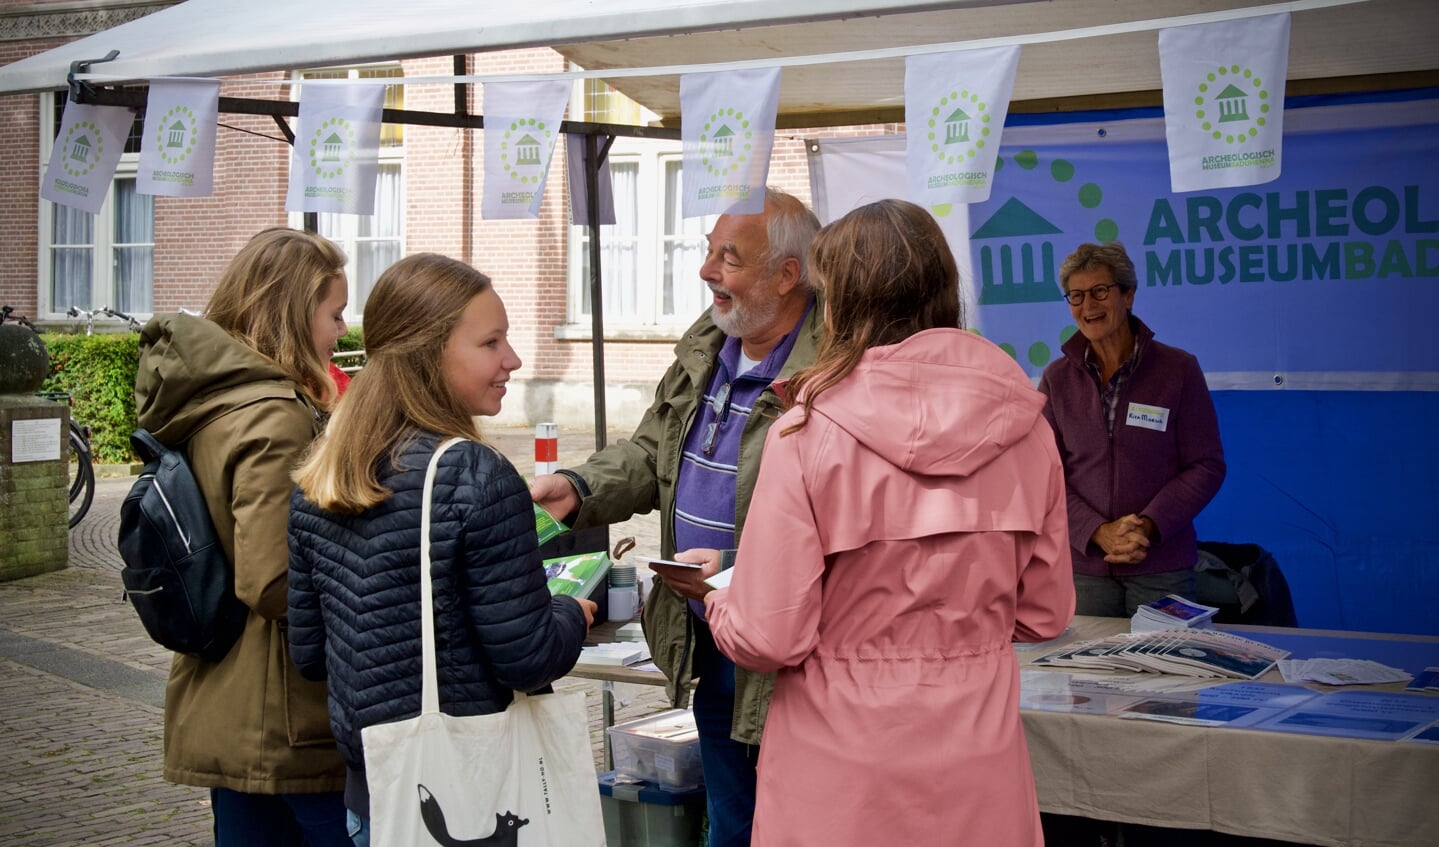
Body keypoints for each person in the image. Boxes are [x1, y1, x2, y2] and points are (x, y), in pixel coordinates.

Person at [697, 198, 1075, 846]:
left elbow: (769, 636)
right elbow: (1044, 611)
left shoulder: (805, 433)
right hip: (974, 756)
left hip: (838, 763)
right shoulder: (1026, 429)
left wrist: (717, 597)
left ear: (838, 302)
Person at [529, 187, 822, 847]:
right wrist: (576, 486)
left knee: (795, 823)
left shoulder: (829, 370)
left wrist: (738, 570)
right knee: (730, 821)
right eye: (708, 251)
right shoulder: (707, 342)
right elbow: (650, 449)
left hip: (789, 648)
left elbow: (841, 523)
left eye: (729, 257)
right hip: (707, 634)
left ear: (785, 275)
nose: (706, 270)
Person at [287, 253, 596, 847]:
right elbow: (527, 658)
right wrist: (569, 614)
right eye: (491, 342)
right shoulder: (475, 477)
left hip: (375, 794)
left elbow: (309, 653)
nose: (513, 360)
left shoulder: (318, 476)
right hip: (469, 799)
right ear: (430, 353)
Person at [133, 227, 352, 846]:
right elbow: (271, 578)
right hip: (283, 715)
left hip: (228, 696)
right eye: (334, 313)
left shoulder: (213, 400)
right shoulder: (274, 414)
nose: (342, 330)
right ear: (292, 309)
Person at [1037, 241, 1226, 618]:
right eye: (1076, 296)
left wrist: (1147, 526)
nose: (1088, 306)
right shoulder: (1056, 379)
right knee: (1086, 676)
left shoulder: (1178, 370)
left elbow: (1206, 465)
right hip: (1085, 569)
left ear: (1129, 295)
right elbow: (1042, 473)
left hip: (1162, 565)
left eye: (1100, 292)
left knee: (1169, 674)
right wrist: (1096, 530)